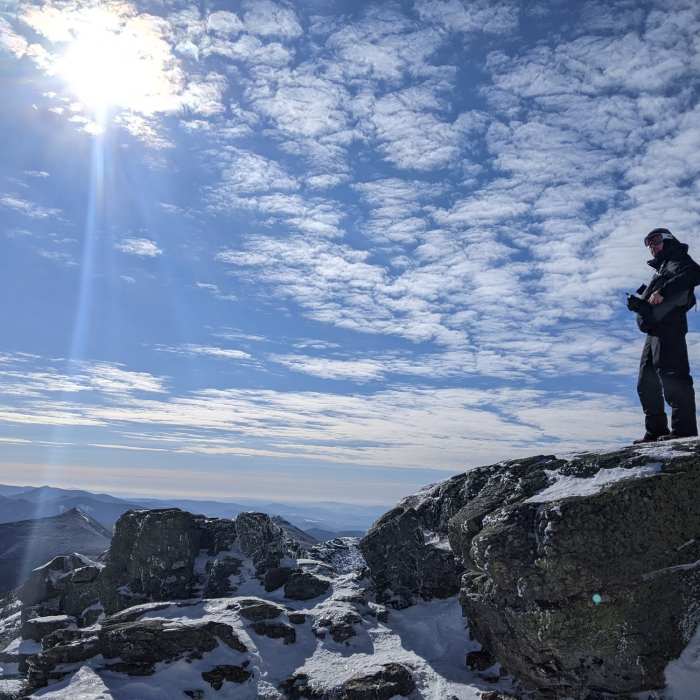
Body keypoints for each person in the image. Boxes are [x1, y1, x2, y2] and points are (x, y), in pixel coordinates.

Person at [631, 228, 700, 443]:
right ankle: (655, 430)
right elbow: (653, 302)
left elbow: (695, 273)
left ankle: (684, 431)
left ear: (668, 241)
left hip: (670, 327)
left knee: (673, 376)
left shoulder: (678, 259)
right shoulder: (662, 267)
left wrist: (663, 291)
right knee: (646, 382)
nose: (652, 246)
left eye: (656, 241)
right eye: (649, 243)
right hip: (654, 331)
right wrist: (639, 306)